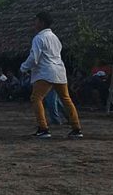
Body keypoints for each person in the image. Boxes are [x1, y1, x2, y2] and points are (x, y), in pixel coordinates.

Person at [20, 11, 83, 139]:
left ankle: (43, 128)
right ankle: (76, 128)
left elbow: (34, 58)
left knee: (36, 98)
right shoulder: (55, 38)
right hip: (60, 71)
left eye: (36, 20)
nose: (34, 23)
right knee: (66, 99)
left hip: (45, 72)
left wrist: (23, 67)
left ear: (41, 22)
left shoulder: (38, 38)